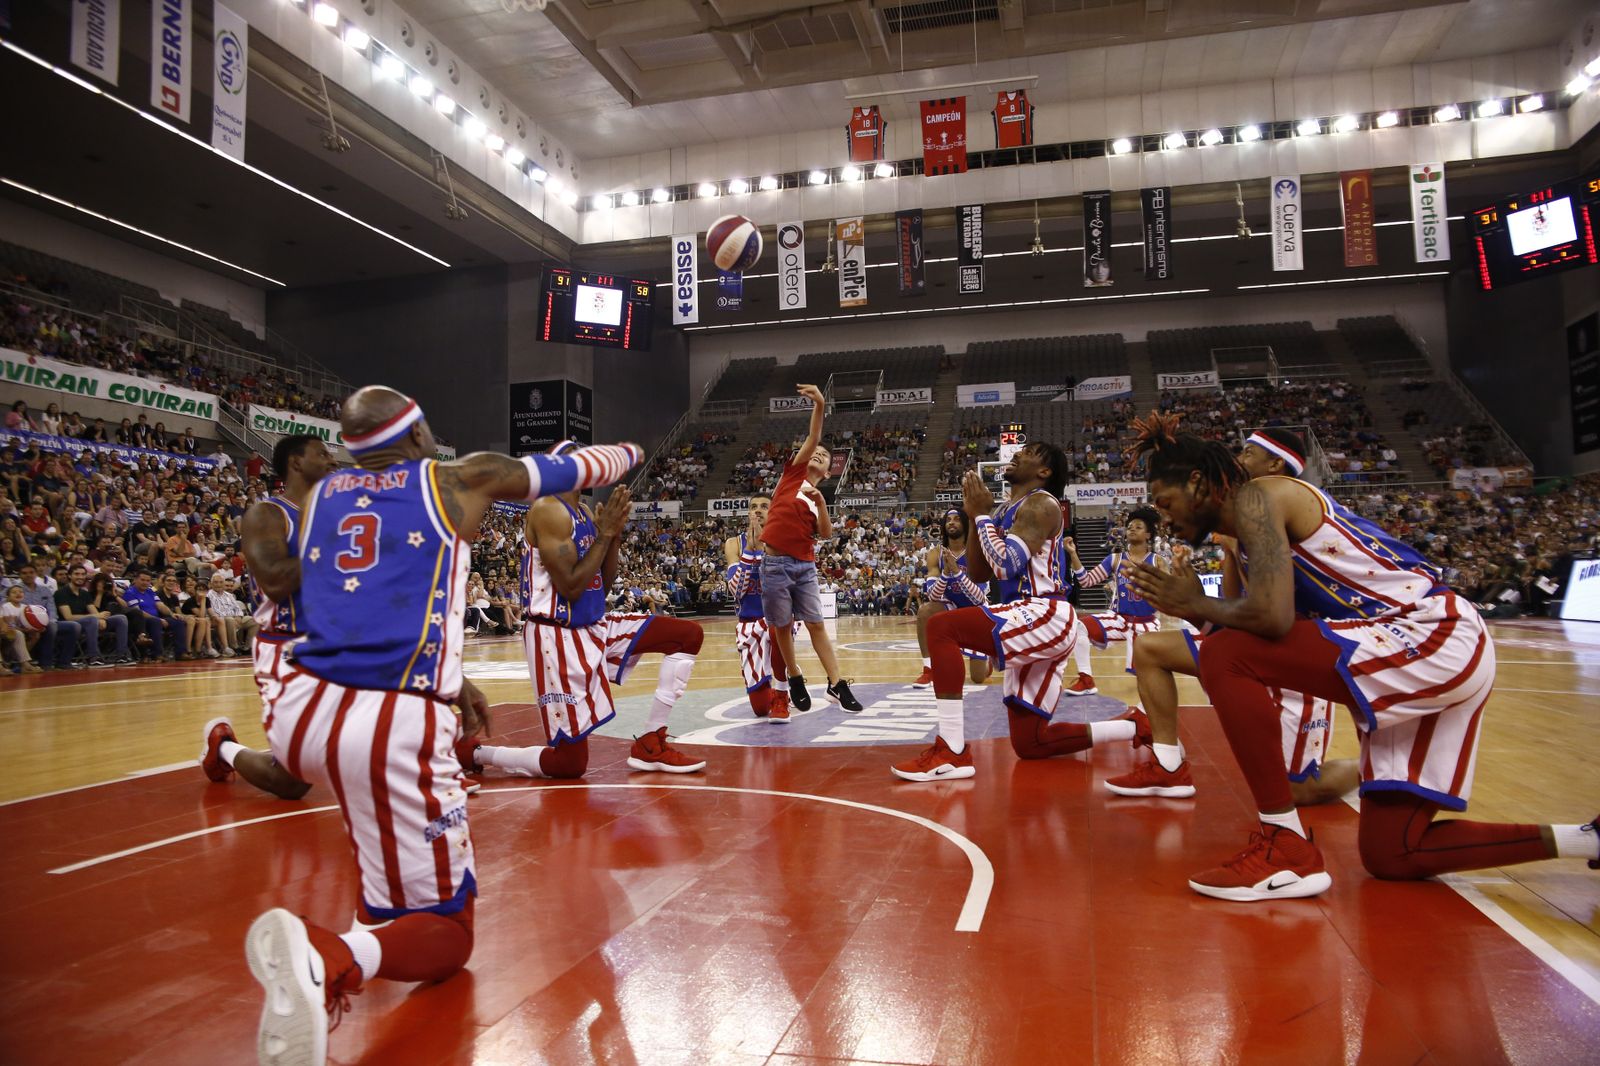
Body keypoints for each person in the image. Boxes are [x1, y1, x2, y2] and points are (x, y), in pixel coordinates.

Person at [243, 388, 640, 1066]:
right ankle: (328, 953)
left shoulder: (323, 496)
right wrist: (632, 452)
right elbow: (576, 469)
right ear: (419, 434)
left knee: (387, 894)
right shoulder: (461, 477)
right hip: (389, 717)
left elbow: (347, 592)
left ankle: (363, 935)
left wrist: (455, 679)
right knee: (451, 939)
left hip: (298, 707)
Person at [1124, 412, 1600, 902]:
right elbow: (1246, 627)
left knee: (1224, 655)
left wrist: (1193, 604)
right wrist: (1189, 604)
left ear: (1198, 481)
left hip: (1426, 633)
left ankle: (1286, 845)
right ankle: (1584, 839)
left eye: (1165, 502)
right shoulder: (1245, 543)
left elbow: (1271, 619)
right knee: (1393, 853)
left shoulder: (1260, 495)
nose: (1165, 517)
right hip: (1423, 652)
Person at [1107, 426, 1357, 805]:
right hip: (1258, 644)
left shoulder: (1273, 500)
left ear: (1275, 463)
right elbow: (1232, 608)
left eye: (1249, 453)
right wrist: (1220, 561)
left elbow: (1272, 618)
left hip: (1301, 652)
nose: (1239, 459)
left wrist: (1192, 603)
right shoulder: (1239, 519)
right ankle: (1168, 766)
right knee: (1151, 648)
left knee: (1298, 790)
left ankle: (1376, 768)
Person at [890, 444, 1137, 781]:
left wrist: (979, 516)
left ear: (1044, 472)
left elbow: (1007, 566)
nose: (1018, 454)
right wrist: (978, 517)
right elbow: (979, 573)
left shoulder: (1042, 504)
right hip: (1027, 616)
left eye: (1030, 452)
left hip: (1044, 612)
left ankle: (952, 751)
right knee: (1031, 743)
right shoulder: (1004, 510)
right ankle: (1131, 727)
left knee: (940, 626)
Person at [462, 441, 705, 779]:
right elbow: (571, 587)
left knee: (686, 635)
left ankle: (651, 742)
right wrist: (605, 536)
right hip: (556, 636)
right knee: (569, 764)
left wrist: (614, 537)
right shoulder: (548, 508)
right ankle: (477, 752)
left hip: (593, 624)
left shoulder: (585, 513)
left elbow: (599, 587)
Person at [200, 435, 334, 800]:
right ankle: (223, 746)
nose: (332, 459)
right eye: (322, 453)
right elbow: (275, 581)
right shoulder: (267, 514)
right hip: (288, 649)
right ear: (295, 462)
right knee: (290, 784)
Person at [758, 384, 861, 713]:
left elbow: (826, 533)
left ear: (830, 470)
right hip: (775, 563)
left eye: (825, 457)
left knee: (816, 624)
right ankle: (794, 674)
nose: (818, 454)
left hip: (803, 565)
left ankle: (835, 682)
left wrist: (821, 504)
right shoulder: (792, 475)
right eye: (816, 452)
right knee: (782, 626)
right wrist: (819, 405)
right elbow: (814, 437)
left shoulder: (819, 497)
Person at [1061, 507, 1163, 696]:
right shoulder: (1115, 559)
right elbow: (1086, 581)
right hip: (1120, 620)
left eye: (1138, 527)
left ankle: (1149, 709)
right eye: (1130, 526)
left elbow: (1168, 595)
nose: (1131, 529)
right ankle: (1086, 680)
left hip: (1146, 624)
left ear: (1148, 534)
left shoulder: (1158, 562)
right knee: (1078, 627)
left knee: (1147, 678)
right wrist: (1073, 554)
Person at [723, 496, 792, 719]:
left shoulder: (783, 541)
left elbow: (786, 586)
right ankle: (774, 688)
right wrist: (751, 552)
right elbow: (737, 590)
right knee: (760, 709)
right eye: (753, 507)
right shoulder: (734, 544)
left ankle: (782, 692)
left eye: (764, 506)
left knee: (777, 624)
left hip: (775, 618)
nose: (758, 511)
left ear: (773, 513)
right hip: (748, 624)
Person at [910, 509, 993, 688]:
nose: (951, 522)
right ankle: (929, 670)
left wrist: (957, 572)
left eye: (956, 519)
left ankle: (988, 662)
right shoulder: (935, 554)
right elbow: (933, 595)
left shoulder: (977, 553)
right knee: (925, 611)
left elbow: (978, 598)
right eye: (948, 519)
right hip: (951, 606)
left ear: (964, 524)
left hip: (975, 610)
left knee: (978, 678)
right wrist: (946, 574)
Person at [55, 562, 131, 665]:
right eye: (77, 574)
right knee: (92, 620)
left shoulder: (84, 593)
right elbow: (68, 617)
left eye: (82, 574)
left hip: (90, 622)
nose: (80, 577)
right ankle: (93, 656)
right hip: (72, 624)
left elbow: (93, 611)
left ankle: (122, 655)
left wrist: (101, 619)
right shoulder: (61, 593)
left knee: (120, 618)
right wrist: (96, 617)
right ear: (69, 576)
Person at [0, 584, 44, 673]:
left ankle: (25, 664)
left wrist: (37, 627)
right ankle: (2, 666)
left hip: (16, 631)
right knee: (15, 633)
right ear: (8, 596)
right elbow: (7, 624)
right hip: (7, 631)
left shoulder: (26, 608)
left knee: (32, 634)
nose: (18, 594)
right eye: (14, 592)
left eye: (20, 592)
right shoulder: (6, 606)